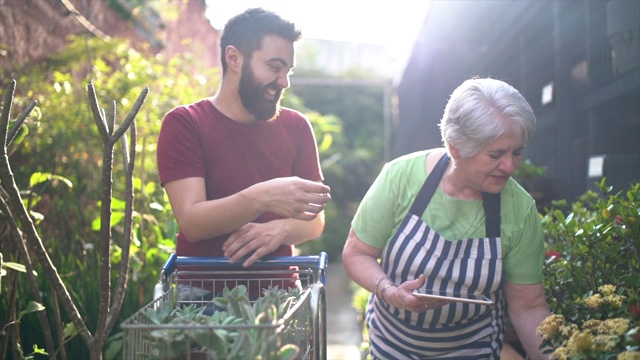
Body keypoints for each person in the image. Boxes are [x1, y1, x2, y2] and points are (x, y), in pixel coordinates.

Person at [342, 77, 551, 359]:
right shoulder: (400, 177)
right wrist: (390, 292)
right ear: (455, 148)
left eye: (517, 152)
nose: (509, 166)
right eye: (495, 154)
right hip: (392, 346)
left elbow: (528, 307)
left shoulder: (520, 209)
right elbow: (357, 253)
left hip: (474, 349)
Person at [156, 8, 330, 303]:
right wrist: (262, 197)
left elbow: (315, 220)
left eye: (287, 71)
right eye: (275, 67)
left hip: (280, 295)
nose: (283, 82)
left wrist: (281, 229)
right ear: (233, 58)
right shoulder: (185, 123)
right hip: (202, 297)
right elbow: (192, 222)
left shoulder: (297, 126)